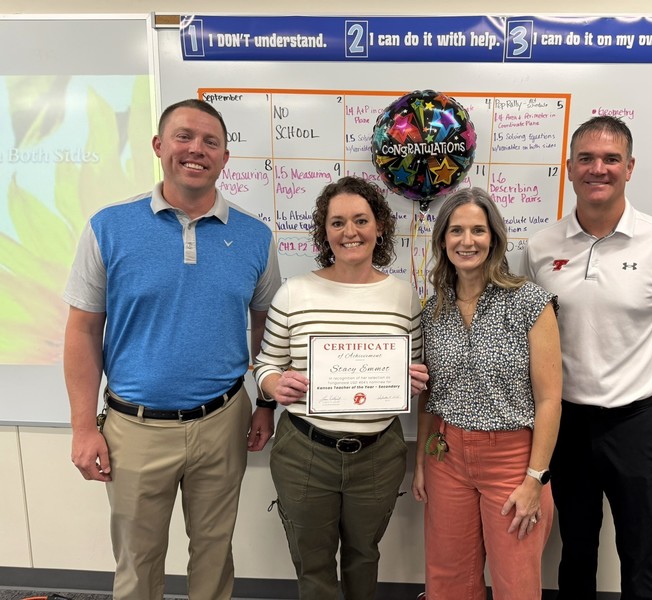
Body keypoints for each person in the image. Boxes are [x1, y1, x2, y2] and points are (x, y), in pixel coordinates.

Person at [63, 98, 281, 600]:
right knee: (137, 565)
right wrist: (81, 427)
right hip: (134, 428)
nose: (196, 150)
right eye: (183, 137)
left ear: (225, 158)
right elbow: (81, 331)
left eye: (211, 142)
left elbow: (267, 328)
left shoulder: (255, 237)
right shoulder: (108, 228)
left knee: (214, 552)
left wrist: (264, 404)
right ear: (160, 146)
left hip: (223, 420)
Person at [525, 115, 652, 599]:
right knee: (576, 549)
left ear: (629, 167)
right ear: (569, 168)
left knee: (642, 550)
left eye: (610, 159)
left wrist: (645, 377)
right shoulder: (540, 248)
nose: (597, 168)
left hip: (637, 424)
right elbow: (529, 334)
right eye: (586, 158)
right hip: (567, 424)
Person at [253, 175, 429, 600]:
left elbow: (418, 370)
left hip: (378, 454)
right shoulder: (294, 293)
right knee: (312, 562)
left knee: (363, 555)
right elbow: (266, 365)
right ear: (324, 231)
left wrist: (413, 379)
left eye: (361, 220)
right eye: (337, 222)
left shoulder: (403, 297)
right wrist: (278, 384)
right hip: (305, 452)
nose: (350, 232)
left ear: (380, 227)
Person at [412, 187, 562, 600]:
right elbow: (430, 393)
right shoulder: (434, 309)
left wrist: (535, 479)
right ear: (443, 240)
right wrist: (423, 461)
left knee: (516, 583)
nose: (467, 240)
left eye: (478, 230)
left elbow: (550, 398)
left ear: (493, 238)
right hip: (447, 457)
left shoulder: (528, 301)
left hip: (512, 461)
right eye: (456, 231)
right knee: (448, 581)